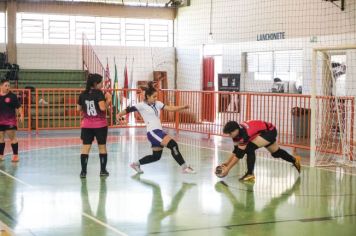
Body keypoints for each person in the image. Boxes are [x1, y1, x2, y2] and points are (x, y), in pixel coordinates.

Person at [116, 81, 195, 174]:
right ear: (147, 96)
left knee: (156, 157)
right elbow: (128, 110)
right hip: (153, 132)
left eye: (156, 96)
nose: (155, 98)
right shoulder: (141, 105)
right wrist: (119, 115)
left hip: (158, 132)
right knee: (173, 145)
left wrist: (183, 107)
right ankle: (184, 168)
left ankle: (136, 164)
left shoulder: (158, 103)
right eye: (154, 97)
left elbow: (169, 108)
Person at [216, 120, 301, 181]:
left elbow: (239, 155)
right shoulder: (236, 134)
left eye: (230, 134)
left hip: (269, 131)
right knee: (276, 153)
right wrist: (227, 163)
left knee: (249, 148)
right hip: (263, 132)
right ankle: (295, 160)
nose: (230, 136)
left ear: (236, 130)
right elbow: (236, 150)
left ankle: (250, 174)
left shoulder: (244, 134)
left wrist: (228, 169)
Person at [77, 73, 111, 178]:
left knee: (85, 148)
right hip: (100, 125)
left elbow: (78, 109)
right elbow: (102, 108)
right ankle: (103, 171)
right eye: (101, 82)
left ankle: (83, 172)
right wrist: (108, 100)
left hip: (86, 125)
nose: (102, 84)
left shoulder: (82, 94)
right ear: (96, 83)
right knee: (102, 147)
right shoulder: (99, 93)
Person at [0, 78, 24, 162]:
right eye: (5, 85)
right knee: (0, 138)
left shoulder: (12, 96)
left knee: (12, 137)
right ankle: (1, 155)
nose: (7, 87)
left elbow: (19, 107)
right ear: (1, 86)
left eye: (8, 86)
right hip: (0, 121)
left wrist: (21, 115)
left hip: (10, 121)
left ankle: (15, 155)